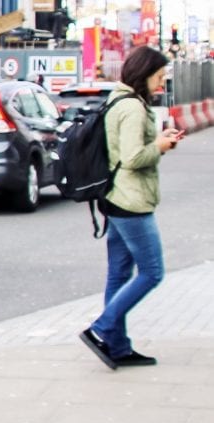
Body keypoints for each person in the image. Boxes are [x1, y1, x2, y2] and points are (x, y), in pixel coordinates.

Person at [80, 46, 184, 370]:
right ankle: (101, 328)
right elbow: (133, 158)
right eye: (159, 75)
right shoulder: (133, 109)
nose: (161, 82)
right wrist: (160, 146)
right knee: (152, 272)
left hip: (115, 198)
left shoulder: (118, 99)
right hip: (131, 201)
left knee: (120, 273)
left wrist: (157, 142)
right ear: (144, 74)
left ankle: (118, 346)